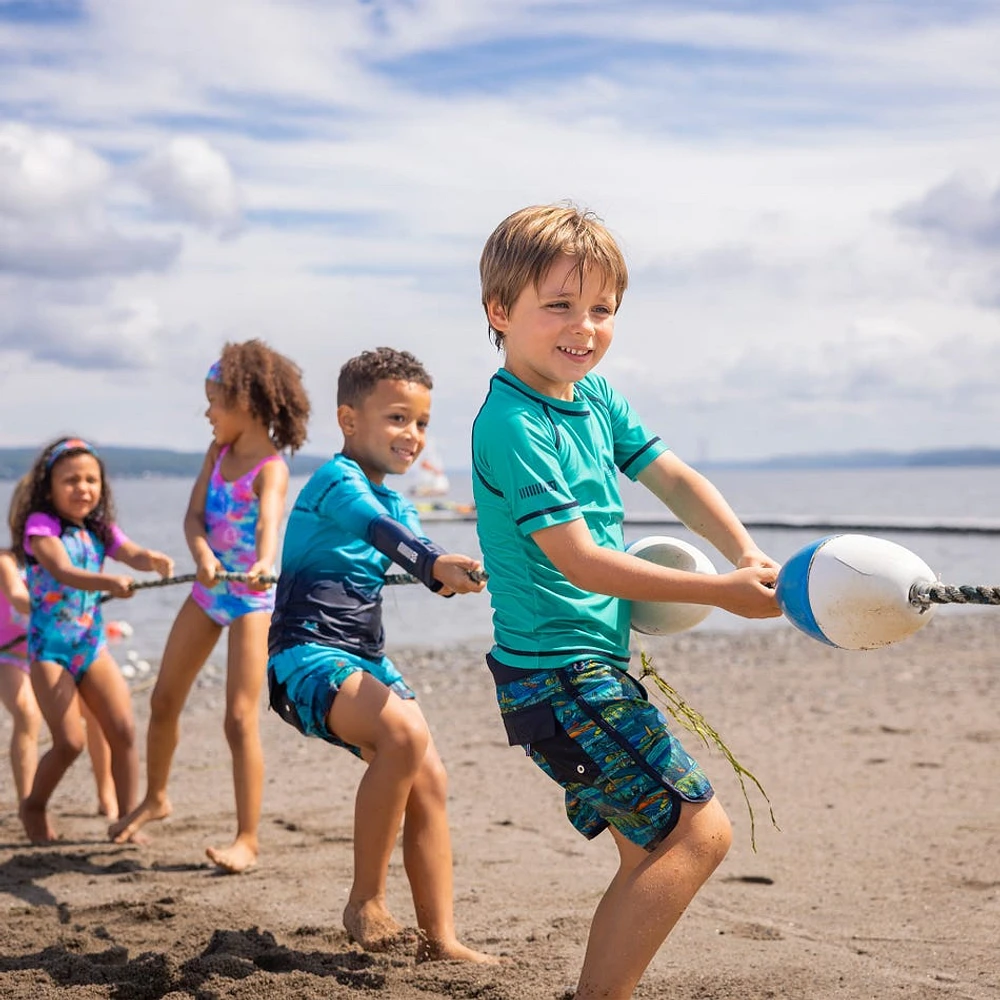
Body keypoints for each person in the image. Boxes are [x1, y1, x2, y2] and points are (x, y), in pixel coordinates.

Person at [472, 204, 783, 1000]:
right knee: (698, 831)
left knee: (651, 850)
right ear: (500, 312)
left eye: (602, 310)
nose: (584, 328)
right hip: (561, 679)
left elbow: (671, 476)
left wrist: (742, 550)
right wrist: (722, 594)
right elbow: (579, 560)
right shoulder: (512, 422)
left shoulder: (596, 397)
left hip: (579, 674)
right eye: (560, 306)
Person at [266, 347, 495, 964]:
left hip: (363, 658)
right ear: (348, 420)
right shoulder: (335, 482)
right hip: (305, 653)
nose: (412, 435)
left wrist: (455, 572)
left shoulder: (401, 502)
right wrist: (428, 562)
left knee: (430, 779)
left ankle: (440, 940)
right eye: (397, 418)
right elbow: (380, 532)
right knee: (398, 734)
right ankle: (365, 899)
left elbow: (410, 543)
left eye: (421, 422)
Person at [111, 340, 310, 873]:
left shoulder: (271, 467)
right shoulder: (216, 454)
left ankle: (247, 838)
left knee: (239, 718)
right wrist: (200, 553)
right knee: (163, 698)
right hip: (208, 590)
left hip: (252, 597)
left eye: (213, 402)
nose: (207, 413)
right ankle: (156, 797)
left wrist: (267, 560)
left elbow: (269, 523)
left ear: (245, 404)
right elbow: (194, 517)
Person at [11, 438, 175, 844]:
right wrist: (108, 583)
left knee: (123, 730)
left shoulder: (100, 528)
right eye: (70, 480)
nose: (83, 488)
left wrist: (149, 559)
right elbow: (61, 570)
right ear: (48, 488)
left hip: (90, 646)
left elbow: (129, 552)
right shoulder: (40, 527)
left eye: (91, 480)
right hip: (49, 651)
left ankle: (124, 818)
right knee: (69, 741)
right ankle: (33, 806)